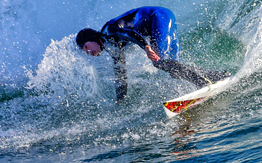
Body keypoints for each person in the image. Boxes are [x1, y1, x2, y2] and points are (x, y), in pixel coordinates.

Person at [76, 6, 229, 101]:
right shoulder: (112, 47)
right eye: (85, 51)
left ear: (91, 38)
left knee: (160, 62)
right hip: (160, 20)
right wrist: (120, 99)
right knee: (174, 68)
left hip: (159, 17)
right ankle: (214, 76)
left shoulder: (107, 31)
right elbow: (120, 72)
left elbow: (129, 34)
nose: (88, 52)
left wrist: (146, 47)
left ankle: (201, 82)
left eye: (86, 47)